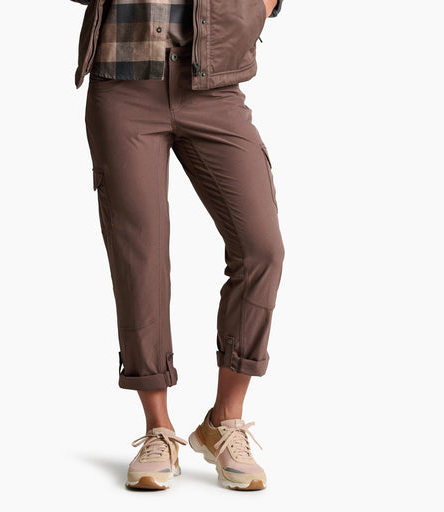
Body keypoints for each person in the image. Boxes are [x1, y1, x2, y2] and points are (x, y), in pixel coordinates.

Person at [70, 0, 285, 491]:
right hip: (123, 80)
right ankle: (157, 429)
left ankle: (224, 420)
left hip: (215, 84)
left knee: (262, 249)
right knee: (139, 259)